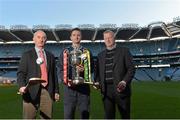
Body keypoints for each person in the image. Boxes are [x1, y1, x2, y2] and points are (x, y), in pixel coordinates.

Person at [17, 30, 60, 119]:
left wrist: (56, 91)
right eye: (38, 37)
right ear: (34, 39)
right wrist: (21, 86)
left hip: (48, 91)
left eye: (43, 38)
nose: (41, 40)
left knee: (47, 118)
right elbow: (21, 73)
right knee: (29, 118)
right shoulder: (27, 55)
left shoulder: (50, 56)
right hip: (30, 91)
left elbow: (54, 75)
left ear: (46, 40)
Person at [95, 30, 135, 119]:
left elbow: (131, 69)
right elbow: (97, 73)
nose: (108, 40)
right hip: (106, 91)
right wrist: (97, 82)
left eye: (110, 37)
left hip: (121, 88)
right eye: (105, 38)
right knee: (109, 116)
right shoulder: (100, 55)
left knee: (125, 116)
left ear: (114, 38)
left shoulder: (124, 51)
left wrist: (124, 81)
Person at [59, 28, 94, 119]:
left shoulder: (87, 52)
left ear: (81, 37)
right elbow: (60, 68)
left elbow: (92, 68)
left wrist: (84, 70)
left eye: (78, 35)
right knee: (68, 116)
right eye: (74, 35)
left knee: (84, 116)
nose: (76, 37)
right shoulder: (65, 52)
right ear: (71, 37)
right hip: (69, 89)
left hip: (84, 89)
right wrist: (66, 81)